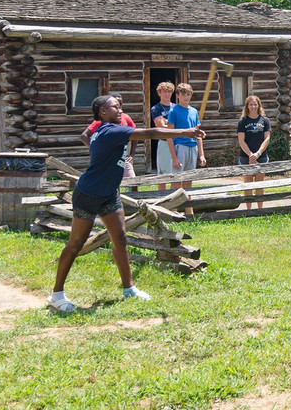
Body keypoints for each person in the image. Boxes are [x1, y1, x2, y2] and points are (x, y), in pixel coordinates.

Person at [49, 94, 204, 312]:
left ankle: (128, 288)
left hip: (109, 193)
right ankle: (56, 295)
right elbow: (151, 132)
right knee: (76, 243)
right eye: (115, 107)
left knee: (120, 239)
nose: (120, 110)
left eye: (120, 106)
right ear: (103, 112)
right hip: (89, 194)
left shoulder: (107, 130)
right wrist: (185, 131)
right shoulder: (110, 130)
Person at [165, 83, 204, 218]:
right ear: (178, 96)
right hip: (180, 147)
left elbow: (197, 134)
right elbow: (169, 135)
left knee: (188, 181)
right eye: (183, 94)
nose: (185, 97)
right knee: (176, 180)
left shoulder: (193, 111)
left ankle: (189, 211)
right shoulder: (173, 111)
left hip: (192, 147)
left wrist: (201, 154)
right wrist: (174, 157)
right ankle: (172, 211)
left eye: (188, 94)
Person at [80, 94, 138, 181]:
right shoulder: (101, 122)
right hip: (108, 160)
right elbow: (84, 136)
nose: (119, 108)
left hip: (123, 157)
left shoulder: (125, 117)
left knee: (132, 180)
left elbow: (135, 134)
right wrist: (97, 149)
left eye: (120, 104)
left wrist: (132, 154)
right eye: (115, 106)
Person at [236, 96, 272, 210]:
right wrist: (250, 154)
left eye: (255, 104)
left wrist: (258, 154)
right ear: (247, 106)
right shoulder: (243, 121)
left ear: (259, 106)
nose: (253, 107)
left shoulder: (265, 120)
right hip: (245, 157)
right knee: (248, 184)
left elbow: (267, 139)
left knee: (259, 184)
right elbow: (241, 140)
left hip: (261, 157)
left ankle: (260, 210)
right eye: (250, 104)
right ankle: (249, 210)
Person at [149, 81, 175, 178]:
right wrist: (171, 124)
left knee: (176, 171)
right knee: (163, 173)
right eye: (164, 91)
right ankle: (162, 192)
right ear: (159, 93)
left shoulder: (175, 107)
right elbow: (161, 126)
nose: (167, 94)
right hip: (164, 142)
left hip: (176, 141)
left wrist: (167, 122)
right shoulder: (156, 108)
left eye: (169, 92)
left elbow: (181, 125)